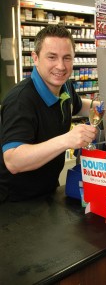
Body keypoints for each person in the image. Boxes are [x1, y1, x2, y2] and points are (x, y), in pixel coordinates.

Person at [0, 24, 97, 202]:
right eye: (52, 57)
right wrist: (67, 139)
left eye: (67, 58)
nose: (61, 66)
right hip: (14, 203)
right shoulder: (20, 100)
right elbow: (13, 160)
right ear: (35, 58)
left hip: (47, 191)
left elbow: (77, 104)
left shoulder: (64, 85)